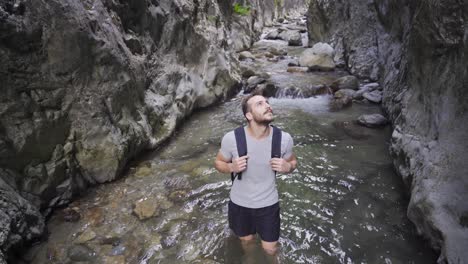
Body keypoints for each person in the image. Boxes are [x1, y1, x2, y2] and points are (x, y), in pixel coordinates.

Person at [214, 93, 297, 256]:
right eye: (260, 104)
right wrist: (231, 166)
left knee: (271, 249)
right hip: (239, 204)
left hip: (269, 205)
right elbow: (218, 162)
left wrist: (288, 167)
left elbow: (293, 162)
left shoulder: (283, 139)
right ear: (249, 115)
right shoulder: (232, 138)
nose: (267, 105)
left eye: (267, 102)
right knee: (247, 243)